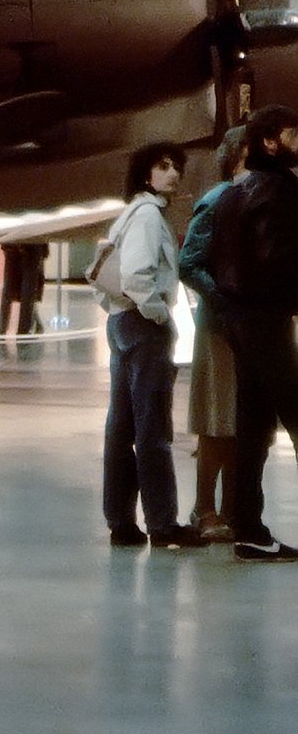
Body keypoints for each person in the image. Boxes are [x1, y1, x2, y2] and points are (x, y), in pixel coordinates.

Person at [95, 143, 206, 549]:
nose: (173, 173)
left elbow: (107, 274)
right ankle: (162, 523)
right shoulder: (147, 217)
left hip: (120, 321)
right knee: (152, 427)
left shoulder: (130, 214)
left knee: (121, 428)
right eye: (163, 166)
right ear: (146, 174)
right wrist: (159, 314)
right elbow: (137, 276)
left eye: (176, 167)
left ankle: (121, 522)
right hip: (142, 326)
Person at [209, 105, 298, 562]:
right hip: (266, 319)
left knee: (253, 426)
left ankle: (248, 529)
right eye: (293, 134)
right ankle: (247, 527)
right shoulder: (278, 190)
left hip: (239, 320)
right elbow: (278, 258)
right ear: (270, 142)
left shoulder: (234, 192)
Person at [178, 125, 246, 542]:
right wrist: (225, 297)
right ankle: (205, 508)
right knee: (217, 418)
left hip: (249, 326)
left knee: (241, 421)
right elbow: (189, 263)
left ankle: (231, 508)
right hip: (221, 327)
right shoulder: (218, 200)